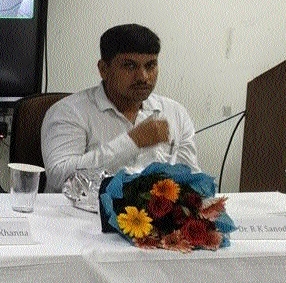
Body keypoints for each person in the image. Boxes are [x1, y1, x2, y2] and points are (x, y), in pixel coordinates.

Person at [41, 23, 198, 191]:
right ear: (103, 69)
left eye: (150, 65)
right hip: (82, 215)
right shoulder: (69, 112)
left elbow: (192, 181)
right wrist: (132, 141)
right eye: (130, 66)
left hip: (153, 216)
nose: (143, 77)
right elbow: (59, 178)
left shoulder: (175, 113)